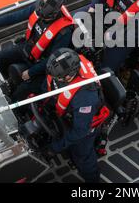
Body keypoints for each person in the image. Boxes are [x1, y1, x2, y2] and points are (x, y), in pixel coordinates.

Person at [0, 0, 73, 101]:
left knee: (22, 91)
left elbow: (53, 59)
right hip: (26, 48)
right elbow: (14, 17)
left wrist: (31, 72)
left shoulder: (64, 32)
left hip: (40, 63)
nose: (40, 16)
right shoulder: (39, 8)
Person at [45, 48, 109, 183]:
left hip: (85, 126)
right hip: (67, 111)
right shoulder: (70, 60)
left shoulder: (85, 97)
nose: (57, 79)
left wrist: (56, 147)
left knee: (82, 156)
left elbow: (80, 131)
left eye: (60, 78)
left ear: (69, 76)